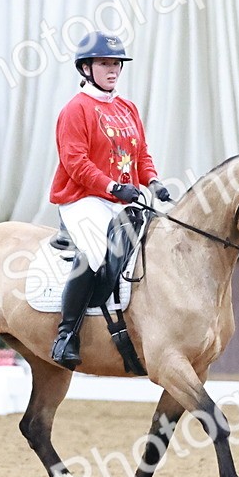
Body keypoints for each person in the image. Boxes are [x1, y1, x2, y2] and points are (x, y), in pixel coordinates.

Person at [48, 31, 172, 369]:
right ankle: (66, 335)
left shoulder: (127, 107)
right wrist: (115, 189)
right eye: (105, 63)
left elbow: (141, 154)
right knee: (94, 251)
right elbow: (75, 162)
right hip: (82, 198)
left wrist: (154, 182)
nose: (113, 69)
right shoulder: (76, 109)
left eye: (116, 63)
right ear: (86, 68)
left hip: (122, 198)